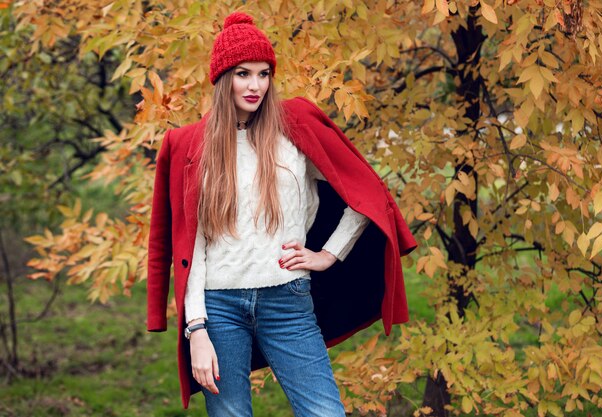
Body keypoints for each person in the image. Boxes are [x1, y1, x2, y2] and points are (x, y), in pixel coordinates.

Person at [146, 11, 418, 417]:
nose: (254, 85)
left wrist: (329, 253)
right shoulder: (190, 145)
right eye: (242, 73)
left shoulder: (294, 128)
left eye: (263, 73)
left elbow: (366, 195)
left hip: (287, 300)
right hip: (218, 306)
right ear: (223, 78)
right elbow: (192, 247)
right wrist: (196, 330)